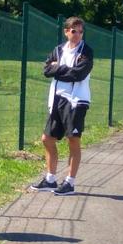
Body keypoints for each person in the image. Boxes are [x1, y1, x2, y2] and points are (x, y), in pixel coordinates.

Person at [30, 16, 94, 196]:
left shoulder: (86, 51)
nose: (77, 35)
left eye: (81, 32)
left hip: (76, 101)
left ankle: (70, 182)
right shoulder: (58, 50)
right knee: (47, 139)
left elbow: (79, 74)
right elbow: (46, 70)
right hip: (57, 99)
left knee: (73, 139)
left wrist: (58, 69)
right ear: (66, 31)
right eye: (74, 31)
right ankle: (50, 179)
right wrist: (59, 69)